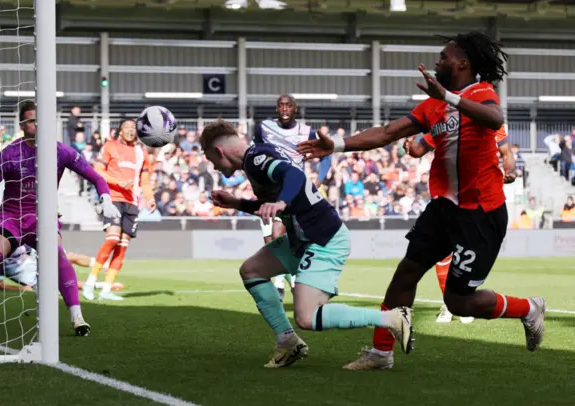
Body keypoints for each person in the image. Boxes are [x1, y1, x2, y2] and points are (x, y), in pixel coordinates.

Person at [298, 31, 546, 371]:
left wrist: (448, 96)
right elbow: (387, 133)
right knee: (406, 273)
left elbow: (495, 119)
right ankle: (381, 353)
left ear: (463, 63)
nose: (437, 61)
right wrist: (338, 147)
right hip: (445, 207)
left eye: (444, 56)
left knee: (459, 302)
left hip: (481, 213)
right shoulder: (433, 106)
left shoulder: (480, 93)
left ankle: (530, 309)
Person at [200, 121, 412, 369]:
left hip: (323, 237)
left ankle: (393, 318)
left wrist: (279, 203)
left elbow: (295, 176)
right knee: (252, 270)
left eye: (212, 160)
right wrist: (238, 203)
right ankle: (288, 342)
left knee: (307, 316)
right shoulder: (255, 159)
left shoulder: (256, 158)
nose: (214, 167)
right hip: (301, 239)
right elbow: (278, 202)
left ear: (219, 151)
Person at [0, 101, 121, 336]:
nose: (37, 124)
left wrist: (106, 198)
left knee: (57, 254)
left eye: (40, 119)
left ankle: (77, 316)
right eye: (31, 120)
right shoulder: (8, 154)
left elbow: (96, 178)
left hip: (43, 217)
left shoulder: (60, 151)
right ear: (21, 124)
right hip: (12, 216)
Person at [406, 125, 516, 324]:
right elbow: (417, 149)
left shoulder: (492, 124)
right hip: (446, 197)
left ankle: (461, 302)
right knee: (439, 257)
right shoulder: (448, 121)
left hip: (476, 202)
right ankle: (448, 306)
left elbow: (506, 152)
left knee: (465, 257)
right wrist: (412, 144)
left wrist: (510, 171)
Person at [251, 94, 332, 300]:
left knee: (281, 235)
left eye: (289, 106)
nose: (285, 109)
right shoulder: (264, 128)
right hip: (269, 191)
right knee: (271, 240)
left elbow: (326, 157)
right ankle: (292, 279)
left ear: (296, 108)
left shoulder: (306, 132)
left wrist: (318, 182)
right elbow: (253, 154)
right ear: (276, 109)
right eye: (281, 106)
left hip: (293, 190)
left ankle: (282, 282)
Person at [83, 119, 156, 301]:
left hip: (132, 202)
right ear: (120, 131)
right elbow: (98, 170)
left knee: (122, 248)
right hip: (113, 199)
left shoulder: (141, 152)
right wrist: (118, 182)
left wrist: (150, 197)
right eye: (127, 128)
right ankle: (90, 283)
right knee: (112, 239)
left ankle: (106, 290)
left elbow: (144, 180)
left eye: (133, 128)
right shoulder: (110, 146)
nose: (131, 131)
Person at [0, 247, 124, 293]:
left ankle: (103, 265)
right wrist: (22, 288)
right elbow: (0, 285)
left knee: (65, 255)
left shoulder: (21, 242)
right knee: (62, 282)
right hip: (33, 279)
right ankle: (101, 285)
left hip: (35, 263)